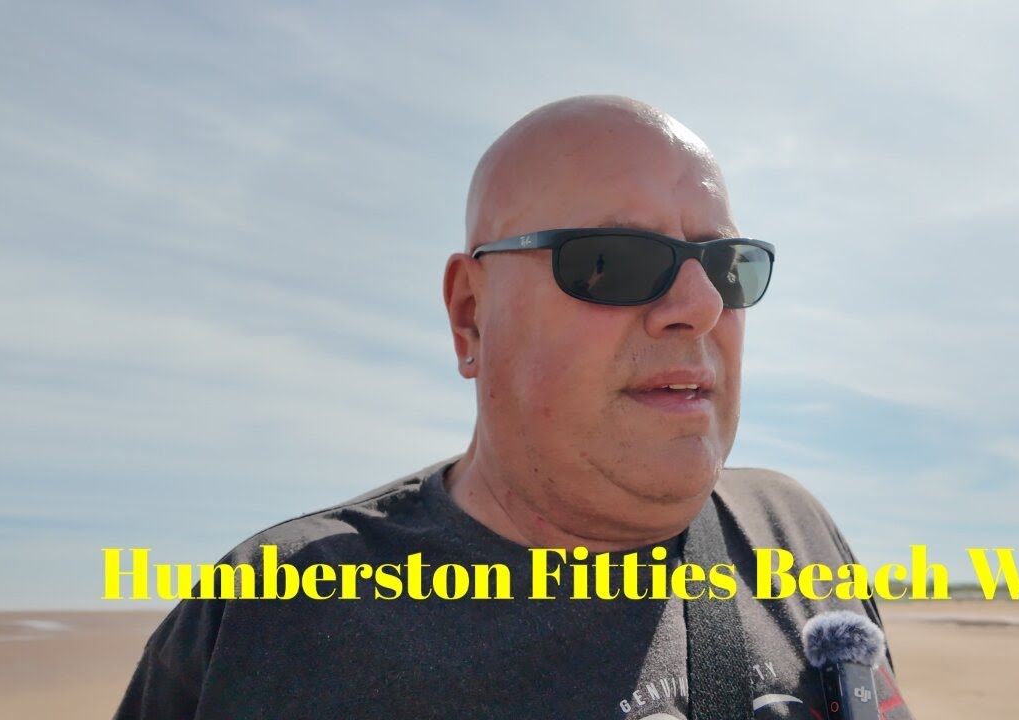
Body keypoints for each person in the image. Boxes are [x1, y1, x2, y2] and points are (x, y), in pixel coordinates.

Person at [114, 95, 915, 719]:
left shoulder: (793, 528)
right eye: (612, 262)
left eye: (728, 265)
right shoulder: (274, 618)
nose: (702, 306)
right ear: (472, 315)